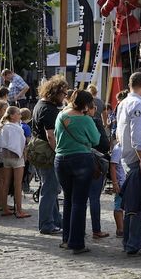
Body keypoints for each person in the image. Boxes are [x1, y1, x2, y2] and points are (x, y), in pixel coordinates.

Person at [54, 90, 100, 254]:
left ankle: (66, 239)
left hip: (61, 160)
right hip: (81, 159)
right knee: (79, 202)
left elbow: (55, 134)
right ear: (86, 105)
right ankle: (77, 242)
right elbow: (96, 140)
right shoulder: (86, 119)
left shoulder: (61, 115)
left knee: (68, 199)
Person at [116, 73, 141, 256]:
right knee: (139, 203)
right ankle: (133, 242)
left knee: (132, 202)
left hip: (126, 155)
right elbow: (137, 135)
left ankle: (130, 240)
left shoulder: (123, 103)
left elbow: (119, 131)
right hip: (136, 158)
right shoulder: (138, 104)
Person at [33, 75, 68, 235]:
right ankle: (46, 224)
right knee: (49, 189)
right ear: (55, 92)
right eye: (63, 93)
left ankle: (55, 220)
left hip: (40, 151)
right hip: (47, 153)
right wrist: (59, 151)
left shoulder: (41, 104)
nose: (65, 96)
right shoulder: (48, 109)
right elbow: (51, 135)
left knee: (51, 189)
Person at [0, 106, 30, 218]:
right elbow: (21, 144)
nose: (20, 116)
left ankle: (5, 208)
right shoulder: (17, 128)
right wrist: (24, 155)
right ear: (12, 115)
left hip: (6, 157)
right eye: (18, 114)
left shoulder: (4, 126)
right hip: (16, 157)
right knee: (17, 184)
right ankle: (19, 210)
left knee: (6, 182)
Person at [87, 99, 110, 239]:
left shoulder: (67, 118)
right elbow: (103, 144)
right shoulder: (94, 121)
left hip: (74, 160)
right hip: (93, 161)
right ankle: (96, 230)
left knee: (77, 199)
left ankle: (76, 231)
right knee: (94, 197)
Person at [109, 140, 125, 238]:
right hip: (121, 182)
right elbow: (113, 166)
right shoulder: (118, 148)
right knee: (119, 206)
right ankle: (120, 229)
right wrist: (115, 183)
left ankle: (125, 228)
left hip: (128, 181)